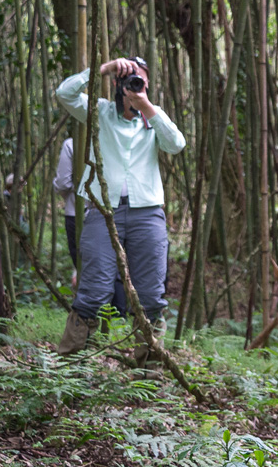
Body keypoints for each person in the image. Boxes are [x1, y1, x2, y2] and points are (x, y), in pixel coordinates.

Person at [55, 57, 186, 358]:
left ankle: (149, 372)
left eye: (140, 81)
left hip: (148, 212)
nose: (134, 86)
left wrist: (147, 108)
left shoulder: (154, 119)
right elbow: (64, 94)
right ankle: (69, 367)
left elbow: (176, 144)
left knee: (151, 295)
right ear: (117, 85)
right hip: (103, 211)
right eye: (129, 81)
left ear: (148, 87)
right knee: (93, 290)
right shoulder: (100, 111)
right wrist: (105, 67)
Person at [53, 137, 127, 319]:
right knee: (114, 268)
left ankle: (89, 323)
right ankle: (117, 319)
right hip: (110, 211)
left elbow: (62, 182)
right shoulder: (113, 140)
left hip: (77, 213)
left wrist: (74, 194)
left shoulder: (72, 143)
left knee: (86, 268)